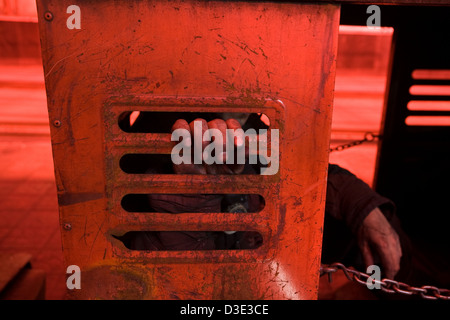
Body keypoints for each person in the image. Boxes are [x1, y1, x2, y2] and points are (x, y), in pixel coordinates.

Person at [119, 112, 407, 282]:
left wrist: (363, 209)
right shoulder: (137, 153)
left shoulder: (260, 127)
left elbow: (305, 168)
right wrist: (191, 206)